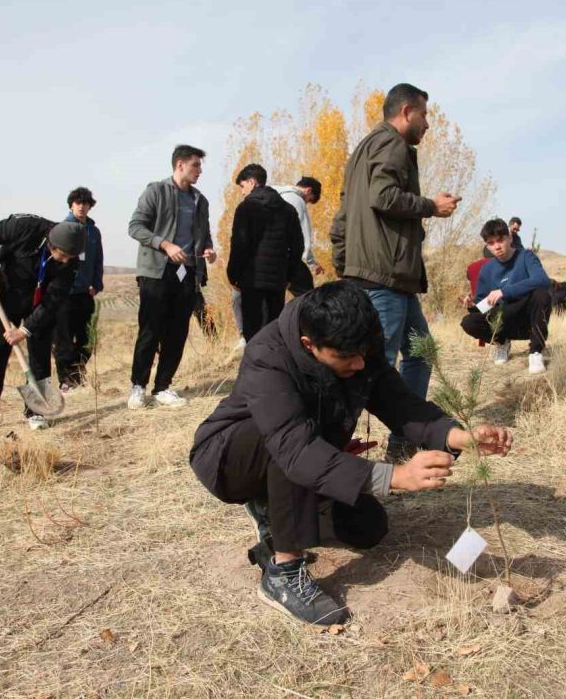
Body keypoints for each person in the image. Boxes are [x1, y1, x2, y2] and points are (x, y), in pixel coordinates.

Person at [189, 281, 514, 625]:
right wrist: (397, 476)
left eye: (364, 353)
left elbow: (401, 405)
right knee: (292, 444)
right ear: (308, 344)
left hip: (301, 452)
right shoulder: (268, 356)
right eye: (347, 357)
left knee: (368, 527)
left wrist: (459, 436)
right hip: (231, 459)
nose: (360, 364)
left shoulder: (357, 345)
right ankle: (283, 572)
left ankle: (274, 510)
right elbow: (296, 449)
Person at [330, 82, 461, 457]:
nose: (428, 124)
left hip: (381, 275)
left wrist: (346, 265)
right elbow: (383, 196)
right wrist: (430, 207)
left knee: (420, 352)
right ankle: (333, 446)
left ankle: (404, 436)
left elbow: (341, 220)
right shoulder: (393, 144)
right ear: (406, 112)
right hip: (383, 277)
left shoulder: (362, 150)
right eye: (424, 115)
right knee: (375, 367)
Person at [0, 214, 85, 447]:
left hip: (39, 304)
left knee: (40, 354)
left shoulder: (72, 262)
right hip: (6, 294)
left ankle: (36, 411)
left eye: (69, 258)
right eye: (61, 255)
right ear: (52, 243)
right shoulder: (25, 226)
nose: (64, 261)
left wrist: (25, 330)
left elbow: (53, 301)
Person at [127, 145, 217, 410]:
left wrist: (207, 249)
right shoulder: (156, 191)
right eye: (195, 165)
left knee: (178, 331)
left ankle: (163, 387)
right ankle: (137, 386)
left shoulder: (201, 200)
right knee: (151, 329)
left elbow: (205, 234)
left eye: (200, 166)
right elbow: (135, 227)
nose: (200, 171)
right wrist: (164, 244)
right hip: (156, 270)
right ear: (180, 165)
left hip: (188, 272)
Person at [460, 219, 551, 373]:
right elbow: (485, 303)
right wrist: (473, 305)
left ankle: (535, 352)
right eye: (491, 243)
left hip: (528, 319)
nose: (497, 246)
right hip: (504, 320)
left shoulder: (526, 256)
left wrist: (504, 291)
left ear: (509, 238)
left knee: (541, 294)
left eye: (500, 240)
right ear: (487, 246)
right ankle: (502, 342)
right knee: (469, 322)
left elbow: (542, 280)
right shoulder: (487, 269)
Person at [227, 164, 304, 340]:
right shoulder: (288, 210)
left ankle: (255, 366)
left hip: (251, 281)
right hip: (277, 281)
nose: (242, 192)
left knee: (253, 334)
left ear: (252, 182)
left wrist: (233, 275)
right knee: (273, 331)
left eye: (243, 186)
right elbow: (298, 246)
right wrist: (288, 277)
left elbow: (239, 245)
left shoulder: (246, 208)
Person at [53, 187, 104, 392]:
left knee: (86, 339)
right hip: (64, 294)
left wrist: (97, 284)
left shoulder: (93, 231)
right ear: (71, 205)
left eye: (86, 203)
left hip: (85, 292)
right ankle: (67, 381)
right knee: (63, 340)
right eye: (78, 202)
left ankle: (76, 374)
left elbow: (98, 259)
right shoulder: (62, 228)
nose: (82, 206)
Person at [274, 177, 324, 297]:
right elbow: (302, 236)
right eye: (308, 201)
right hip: (284, 255)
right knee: (308, 295)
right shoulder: (297, 200)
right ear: (308, 190)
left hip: (265, 256)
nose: (306, 203)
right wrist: (312, 263)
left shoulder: (276, 195)